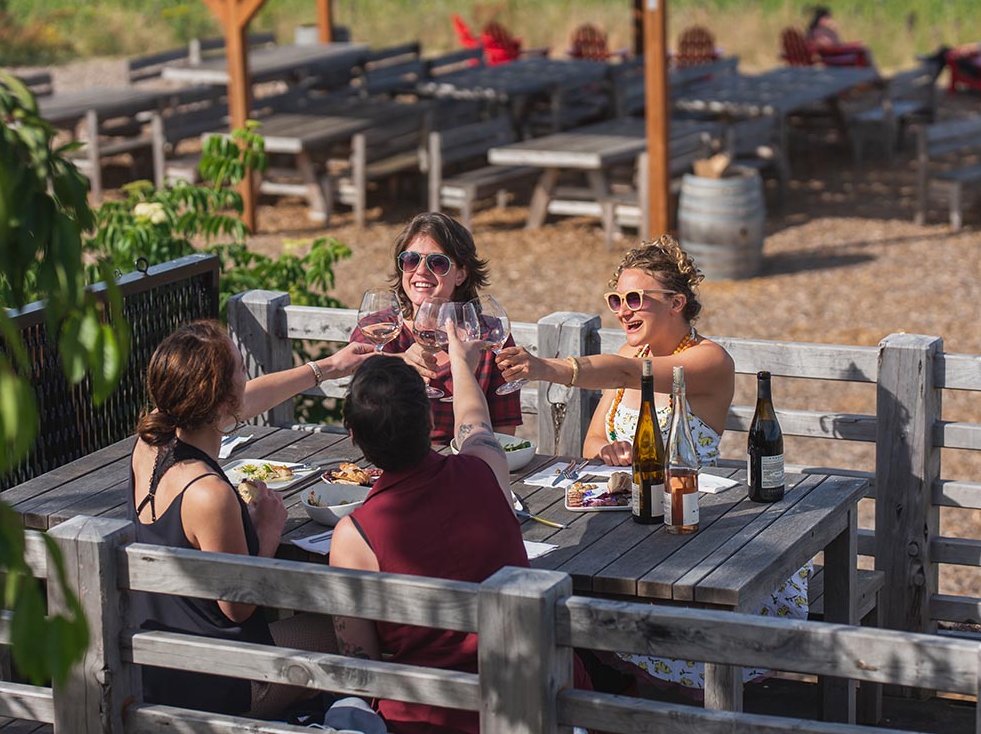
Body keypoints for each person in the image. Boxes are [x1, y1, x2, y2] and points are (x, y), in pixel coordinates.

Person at [495, 235, 810, 691]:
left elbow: (629, 376)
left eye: (635, 298)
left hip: (691, 525)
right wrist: (608, 451)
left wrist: (546, 368)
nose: (622, 310)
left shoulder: (709, 360)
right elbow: (594, 440)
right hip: (624, 516)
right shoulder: (628, 355)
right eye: (616, 299)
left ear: (676, 303)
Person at [329, 331, 591, 733]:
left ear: (353, 436)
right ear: (431, 419)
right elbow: (476, 424)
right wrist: (462, 363)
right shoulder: (483, 470)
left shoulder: (353, 535)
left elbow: (360, 663)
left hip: (428, 718)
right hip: (535, 699)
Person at [127, 320, 373, 717]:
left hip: (158, 665)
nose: (248, 376)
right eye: (242, 369)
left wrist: (327, 366)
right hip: (220, 684)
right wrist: (268, 531)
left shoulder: (151, 439)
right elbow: (237, 608)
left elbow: (248, 399)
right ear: (223, 402)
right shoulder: (208, 494)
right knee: (346, 630)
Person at [350, 211, 521, 442]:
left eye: (437, 262)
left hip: (468, 462)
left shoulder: (489, 336)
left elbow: (504, 431)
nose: (420, 271)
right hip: (394, 461)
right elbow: (360, 425)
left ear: (461, 274)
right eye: (410, 260)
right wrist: (395, 365)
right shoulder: (377, 330)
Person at [804, 5, 871, 67]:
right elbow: (829, 44)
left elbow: (834, 44)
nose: (830, 20)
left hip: (832, 56)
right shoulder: (818, 32)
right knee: (863, 52)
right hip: (832, 58)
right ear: (821, 19)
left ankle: (870, 74)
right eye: (828, 18)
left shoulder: (817, 31)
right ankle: (870, 75)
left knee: (864, 51)